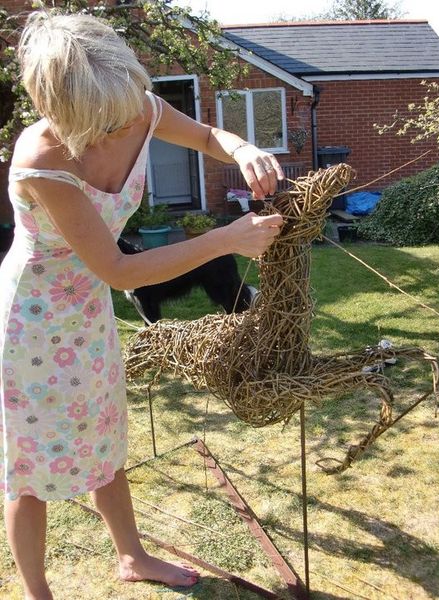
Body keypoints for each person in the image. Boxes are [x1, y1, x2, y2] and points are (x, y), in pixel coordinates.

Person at [0, 10, 284, 600]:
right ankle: (37, 593)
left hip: (86, 314)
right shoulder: (42, 160)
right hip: (31, 324)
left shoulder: (134, 105)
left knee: (105, 440)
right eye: (107, 121)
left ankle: (131, 556)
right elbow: (119, 269)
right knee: (28, 468)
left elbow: (207, 136)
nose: (128, 124)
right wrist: (228, 239)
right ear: (65, 109)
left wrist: (241, 145)